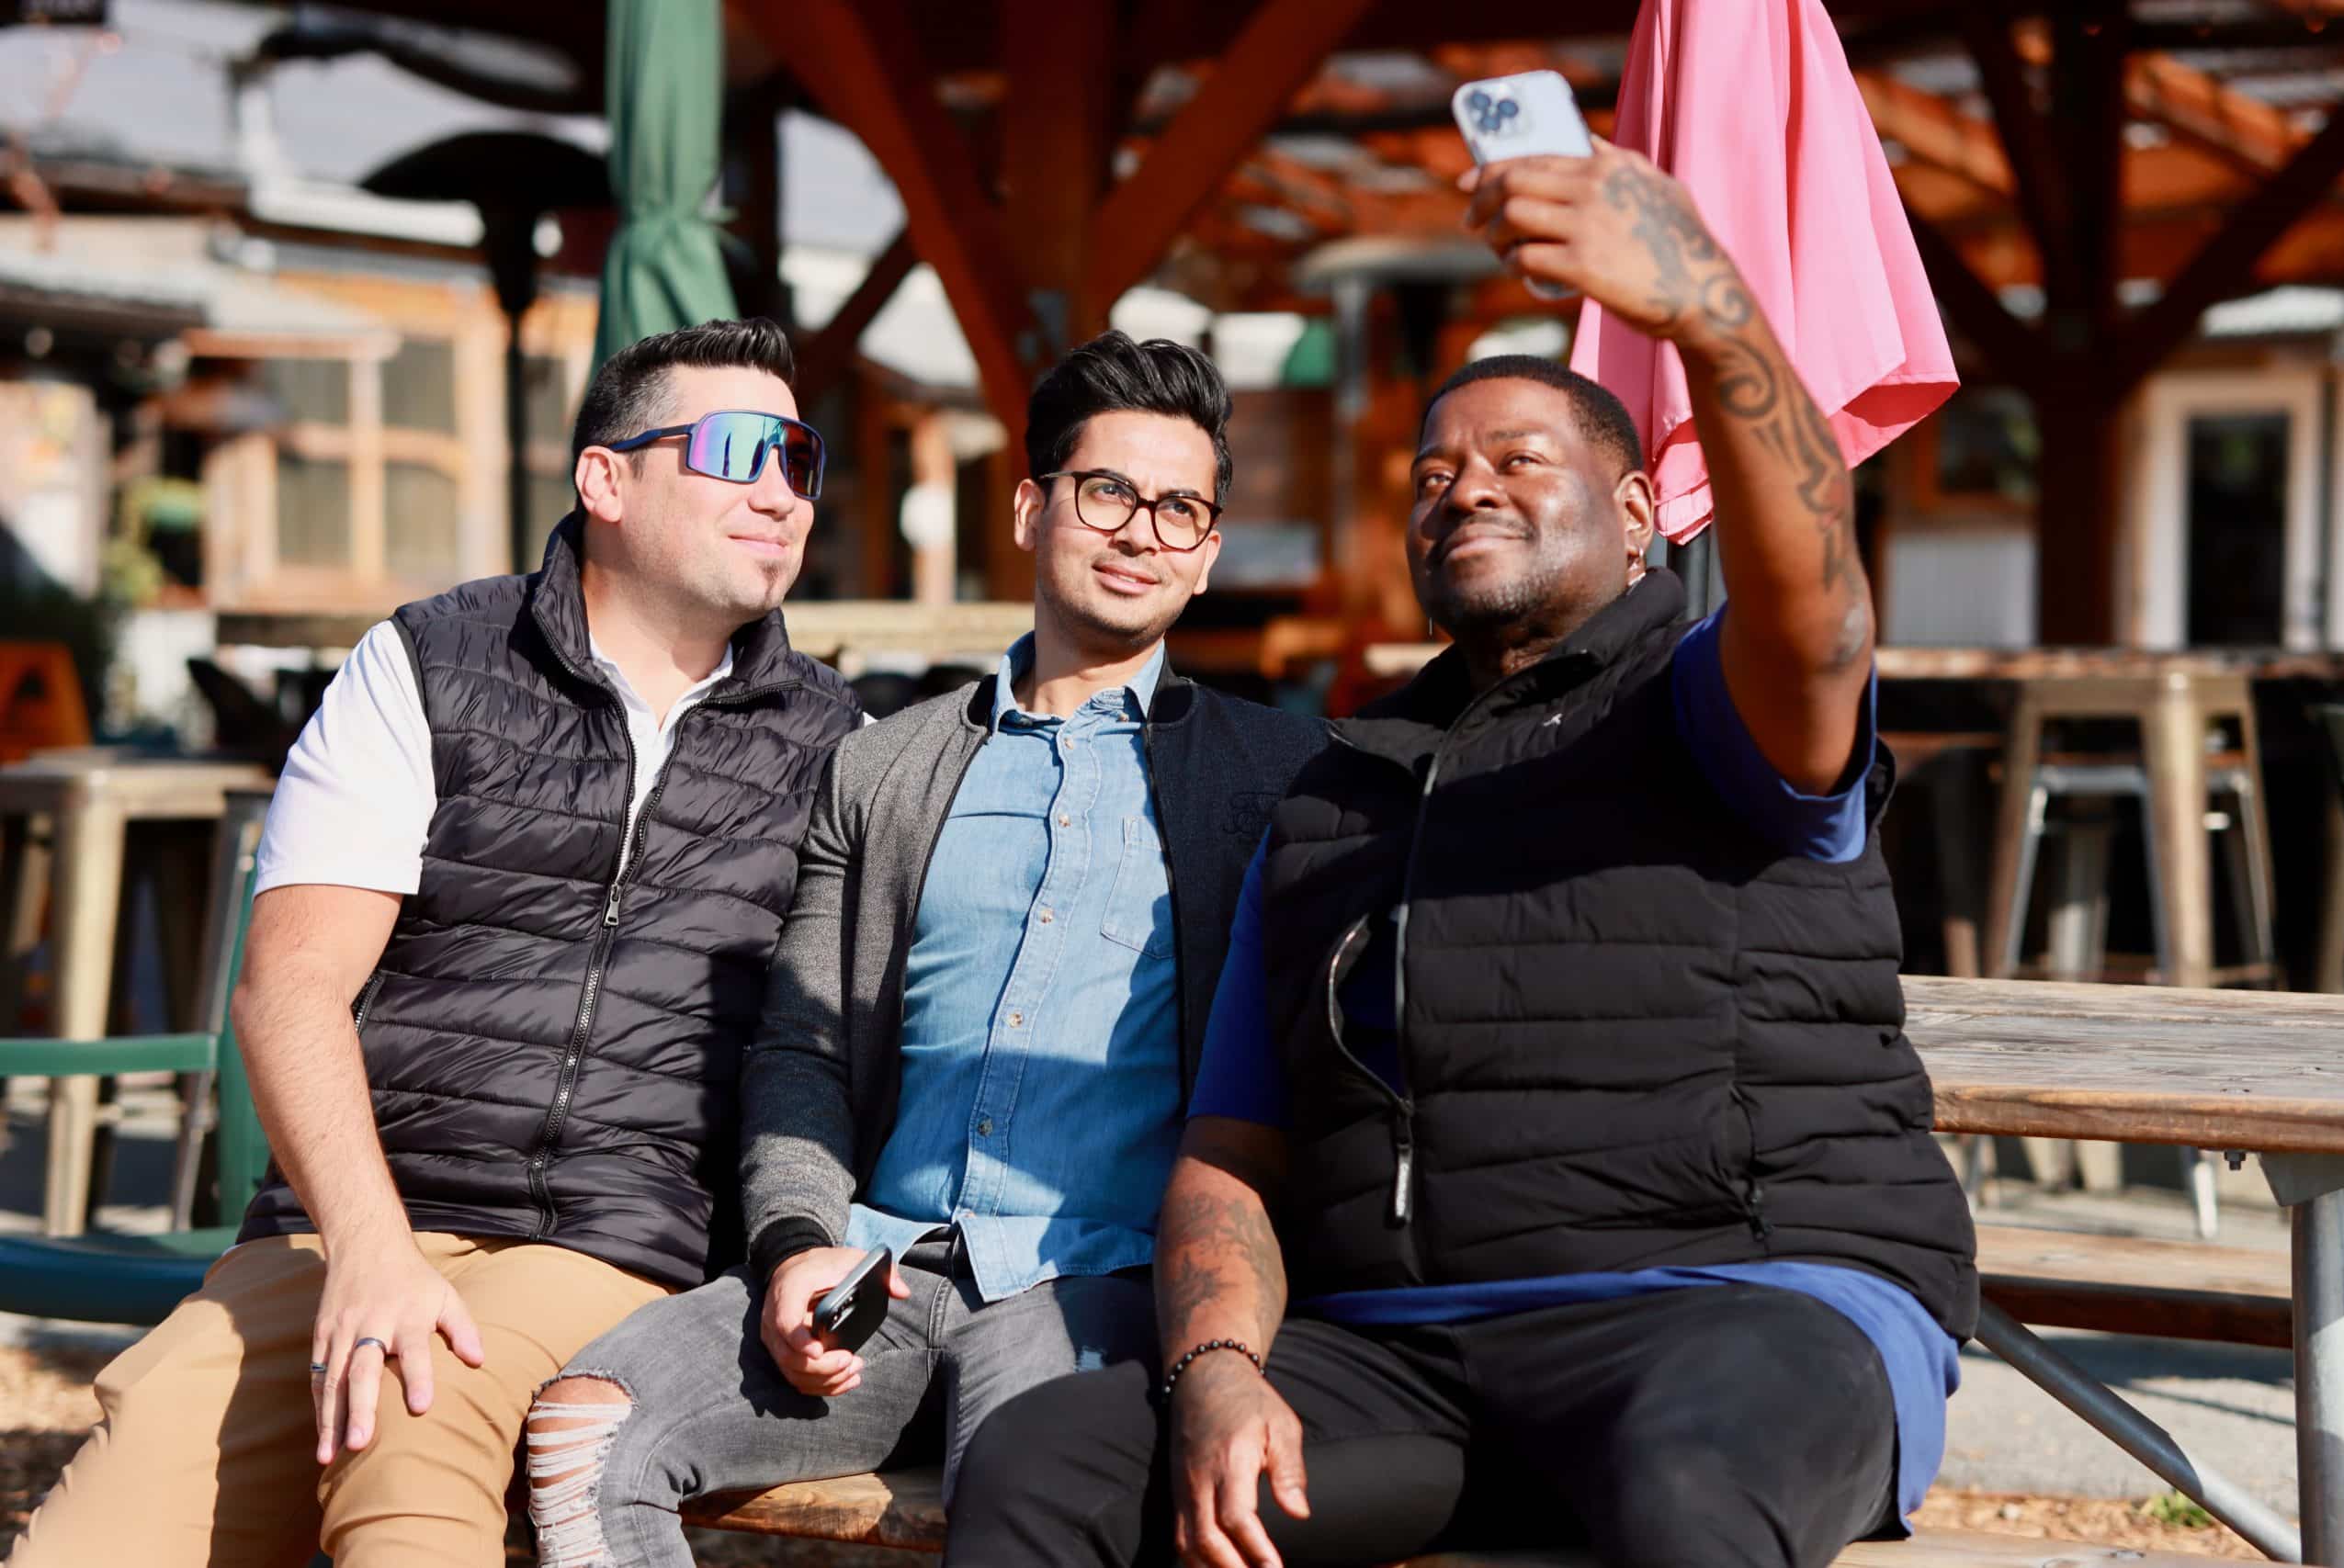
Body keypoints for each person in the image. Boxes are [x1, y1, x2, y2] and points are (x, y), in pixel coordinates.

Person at [947, 140, 1976, 1568]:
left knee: (1685, 1494)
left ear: (1637, 519)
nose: (1465, 487)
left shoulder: (1710, 707)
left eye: (1518, 460)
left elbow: (1820, 616)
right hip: (1398, 1355)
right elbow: (1233, 1151)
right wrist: (1220, 1371)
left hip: (1742, 1305)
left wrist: (1711, 315)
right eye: (1435, 470)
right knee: (1047, 1461)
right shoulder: (1335, 795)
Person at [8, 318, 864, 1568]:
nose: (781, 490)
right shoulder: (426, 667)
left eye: (802, 458)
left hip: (615, 1240)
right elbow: (290, 985)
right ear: (605, 477)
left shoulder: (833, 746)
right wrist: (368, 1249)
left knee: (414, 1429)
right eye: (741, 450)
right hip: (341, 1223)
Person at [521, 331, 1329, 1568]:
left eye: (1180, 509)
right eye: (1107, 491)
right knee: (586, 1433)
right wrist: (794, 1242)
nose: (1140, 531)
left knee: (1023, 1498)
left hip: (1097, 1282)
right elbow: (802, 1040)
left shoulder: (1278, 783)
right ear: (1030, 506)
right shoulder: (886, 764)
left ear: (1210, 553)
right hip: (877, 1269)